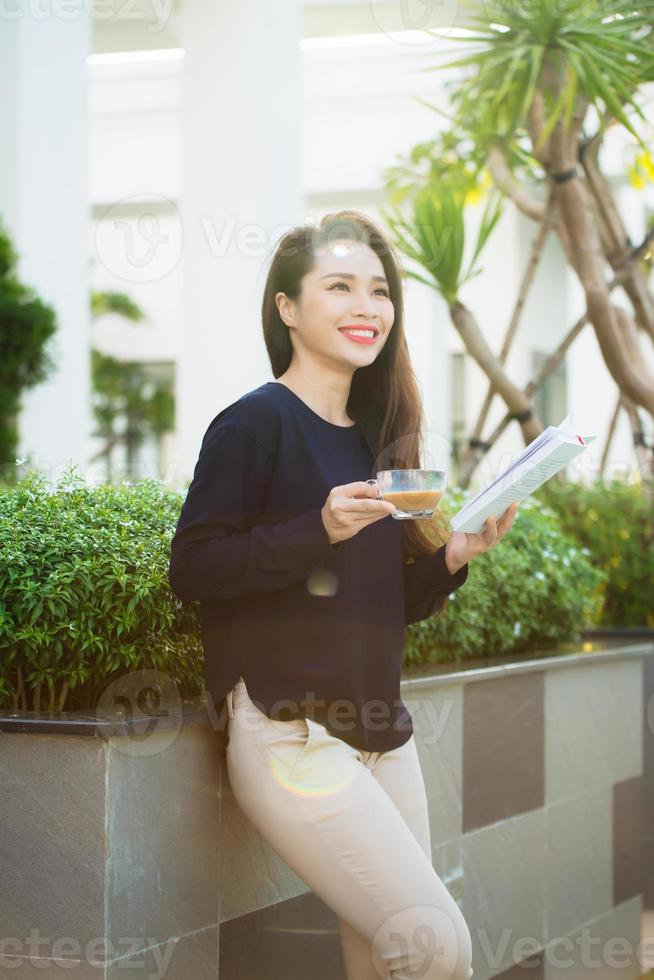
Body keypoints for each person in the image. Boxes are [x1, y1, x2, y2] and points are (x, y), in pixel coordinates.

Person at [168, 211, 518, 979]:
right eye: (340, 287)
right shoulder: (255, 422)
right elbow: (193, 566)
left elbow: (382, 598)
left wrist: (455, 554)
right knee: (437, 944)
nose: (368, 306)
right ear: (287, 308)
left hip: (384, 737)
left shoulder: (375, 434)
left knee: (386, 957)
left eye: (379, 290)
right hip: (290, 736)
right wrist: (316, 528)